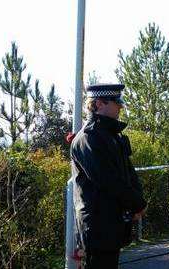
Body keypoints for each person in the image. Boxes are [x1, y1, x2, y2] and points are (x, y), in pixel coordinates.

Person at [70, 84, 147, 269]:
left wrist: (138, 202)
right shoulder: (88, 138)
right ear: (98, 104)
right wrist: (137, 204)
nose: (120, 107)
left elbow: (128, 172)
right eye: (115, 102)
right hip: (97, 224)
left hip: (111, 222)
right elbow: (108, 180)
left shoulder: (111, 135)